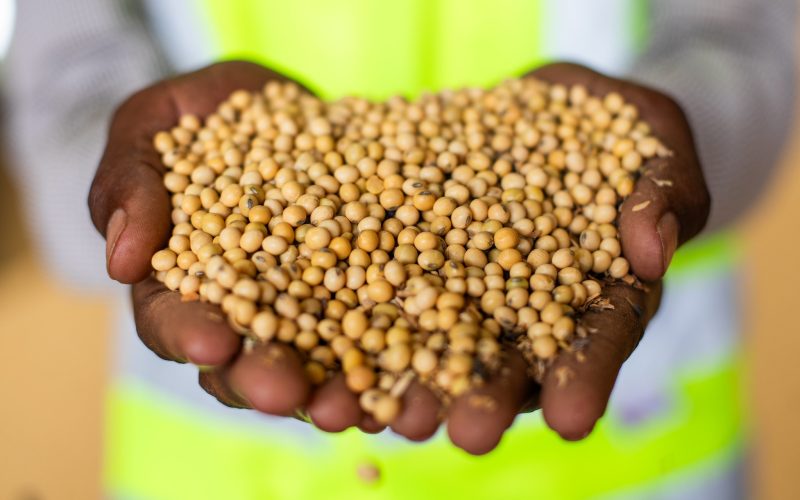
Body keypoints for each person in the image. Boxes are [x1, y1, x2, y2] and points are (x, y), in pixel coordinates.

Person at [3, 0, 795, 498]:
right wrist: (121, 185)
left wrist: (680, 137)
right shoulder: (233, 224)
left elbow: (752, 43)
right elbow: (64, 100)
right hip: (222, 471)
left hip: (638, 461)